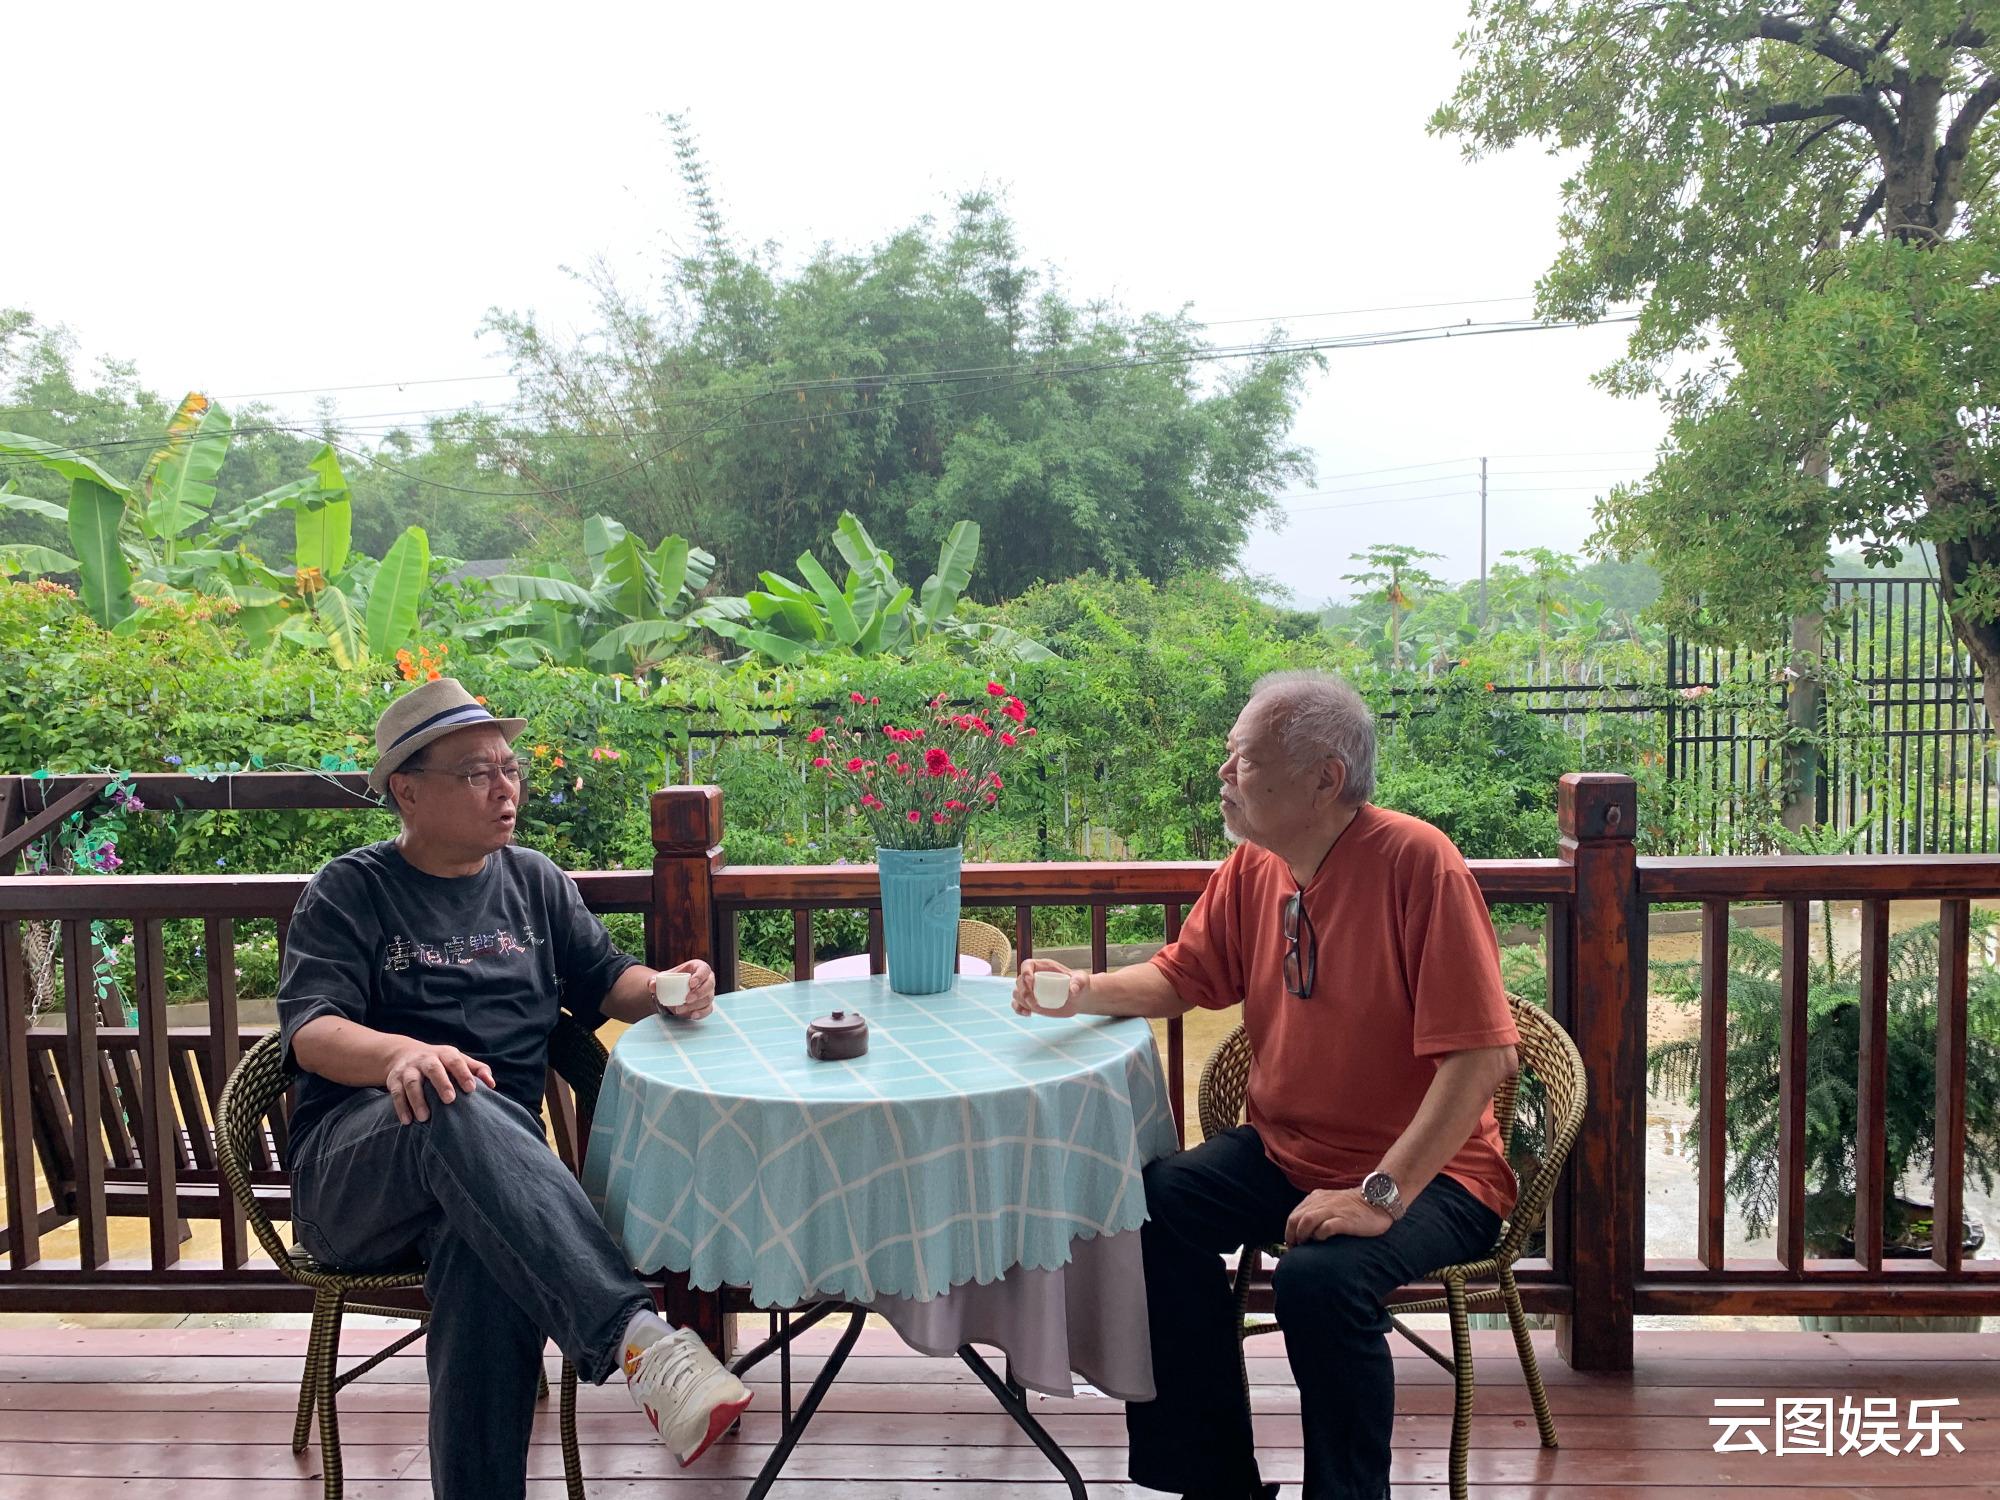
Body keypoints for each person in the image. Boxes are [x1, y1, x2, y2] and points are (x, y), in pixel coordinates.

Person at [1012, 670, 1520, 1500]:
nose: (1224, 776)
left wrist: (1380, 1194)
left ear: (1324, 778)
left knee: (1318, 1282)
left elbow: (1481, 1060)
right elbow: (1186, 976)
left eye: (1242, 760)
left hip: (1437, 1174)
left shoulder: (1418, 864)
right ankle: (1212, 1482)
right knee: (1153, 1208)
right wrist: (1078, 991)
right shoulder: (1256, 865)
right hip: (1289, 1152)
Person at [276, 677, 752, 1499]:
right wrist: (400, 1054)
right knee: (448, 1094)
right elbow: (312, 1029)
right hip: (355, 1177)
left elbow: (608, 983)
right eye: (475, 773)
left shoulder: (533, 881)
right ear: (408, 790)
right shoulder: (353, 889)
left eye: (509, 767)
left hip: (492, 1188)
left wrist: (671, 985)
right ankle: (639, 1339)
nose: (505, 789)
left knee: (485, 1251)